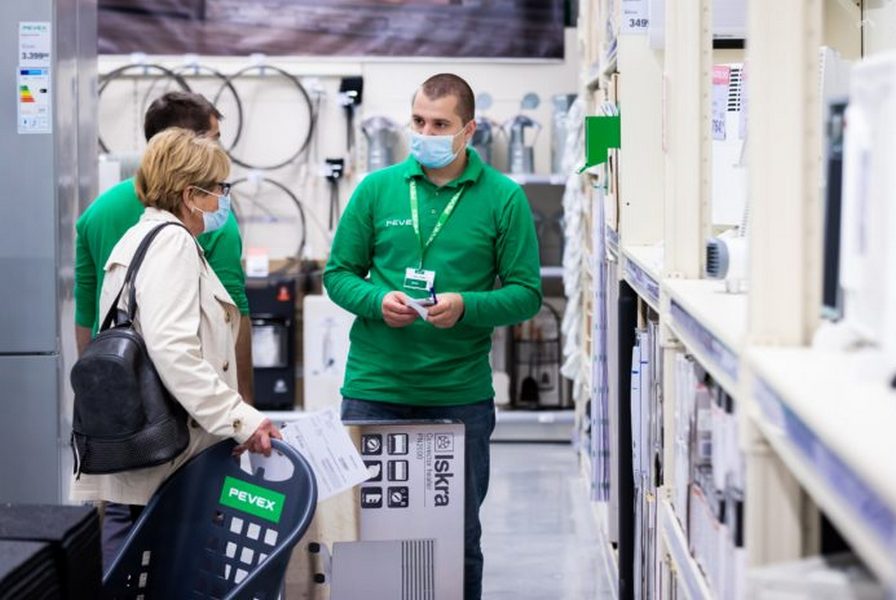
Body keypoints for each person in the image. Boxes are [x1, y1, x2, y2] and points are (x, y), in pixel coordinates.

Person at [324, 73, 542, 599]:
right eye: (419, 121)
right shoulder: (376, 190)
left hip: (458, 397)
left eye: (440, 124)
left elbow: (526, 293)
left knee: (457, 538)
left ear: (468, 129)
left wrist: (467, 306)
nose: (426, 132)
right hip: (375, 391)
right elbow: (338, 274)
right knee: (365, 536)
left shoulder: (503, 199)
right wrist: (377, 301)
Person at [70, 128, 281, 568]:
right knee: (183, 572)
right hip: (175, 457)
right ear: (191, 194)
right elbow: (173, 349)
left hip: (160, 449)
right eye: (220, 189)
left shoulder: (140, 237)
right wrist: (239, 417)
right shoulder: (172, 243)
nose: (224, 199)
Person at [74, 91, 254, 407]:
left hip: (122, 396)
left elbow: (87, 315)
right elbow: (232, 315)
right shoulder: (209, 219)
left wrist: (96, 395)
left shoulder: (97, 212)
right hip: (191, 407)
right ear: (187, 145)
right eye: (214, 139)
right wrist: (244, 408)